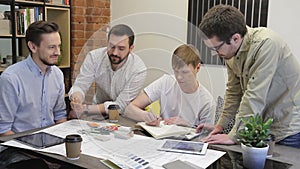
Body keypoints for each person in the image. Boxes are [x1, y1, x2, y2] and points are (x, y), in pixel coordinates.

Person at [197, 4, 300, 148]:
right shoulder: (231, 53)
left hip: (289, 127)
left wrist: (233, 136)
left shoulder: (266, 44)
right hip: (264, 127)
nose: (214, 54)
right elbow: (233, 92)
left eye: (216, 48)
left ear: (235, 38)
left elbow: (253, 96)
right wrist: (220, 126)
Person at [0, 21, 67, 136]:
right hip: (17, 145)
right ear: (33, 47)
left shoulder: (57, 74)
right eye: (51, 47)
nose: (58, 52)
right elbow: (3, 129)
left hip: (49, 142)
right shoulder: (11, 78)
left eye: (58, 46)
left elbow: (60, 116)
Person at [125, 44, 215, 127]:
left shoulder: (207, 102)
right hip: (162, 138)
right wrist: (146, 116)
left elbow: (206, 137)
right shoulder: (166, 82)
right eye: (176, 71)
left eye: (185, 72)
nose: (179, 77)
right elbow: (129, 109)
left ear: (198, 68)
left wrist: (187, 126)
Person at [69, 24, 147, 118]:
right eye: (112, 46)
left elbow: (120, 106)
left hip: (126, 115)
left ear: (131, 49)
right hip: (98, 113)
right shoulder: (94, 58)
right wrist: (77, 98)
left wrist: (85, 109)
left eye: (121, 48)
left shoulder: (138, 69)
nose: (114, 53)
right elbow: (80, 85)